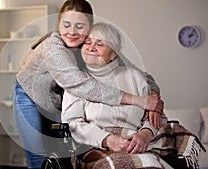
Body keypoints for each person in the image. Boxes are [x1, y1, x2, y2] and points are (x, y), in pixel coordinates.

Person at [13, 0, 163, 168]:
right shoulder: (53, 49)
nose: (72, 32)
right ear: (59, 24)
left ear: (89, 26)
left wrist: (153, 102)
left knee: (66, 151)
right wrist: (140, 101)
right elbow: (83, 86)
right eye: (66, 25)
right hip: (29, 96)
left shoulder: (91, 41)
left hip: (56, 98)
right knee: (39, 158)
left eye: (80, 26)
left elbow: (143, 76)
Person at [62, 22, 204, 169]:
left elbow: (158, 117)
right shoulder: (77, 82)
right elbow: (72, 124)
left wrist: (145, 134)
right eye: (88, 42)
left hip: (141, 147)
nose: (91, 47)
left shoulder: (135, 78)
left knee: (150, 162)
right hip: (97, 148)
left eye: (100, 44)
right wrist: (108, 140)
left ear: (113, 53)